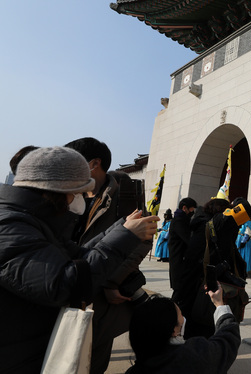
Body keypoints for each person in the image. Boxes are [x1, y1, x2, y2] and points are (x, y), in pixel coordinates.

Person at [0, 146, 158, 373]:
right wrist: (124, 237)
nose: (77, 200)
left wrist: (120, 231)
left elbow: (78, 256)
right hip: (16, 354)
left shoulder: (36, 220)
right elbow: (64, 283)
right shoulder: (9, 225)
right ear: (54, 190)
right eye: (75, 192)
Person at [66, 137, 153, 374]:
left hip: (102, 291)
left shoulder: (124, 193)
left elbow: (142, 240)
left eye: (73, 161)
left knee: (93, 355)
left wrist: (112, 281)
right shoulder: (68, 193)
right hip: (67, 282)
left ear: (94, 164)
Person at [125, 289, 241, 374]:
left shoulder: (135, 370)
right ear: (174, 330)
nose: (183, 318)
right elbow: (227, 340)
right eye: (180, 314)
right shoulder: (193, 356)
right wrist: (220, 305)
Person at [168, 197, 201, 334]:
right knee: (178, 295)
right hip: (180, 264)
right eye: (191, 211)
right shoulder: (180, 221)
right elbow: (189, 240)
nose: (192, 213)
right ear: (184, 208)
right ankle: (169, 320)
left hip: (182, 264)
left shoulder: (182, 220)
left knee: (181, 294)